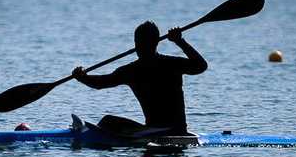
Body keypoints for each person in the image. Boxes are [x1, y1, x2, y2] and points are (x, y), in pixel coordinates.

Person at [72, 21, 208, 135]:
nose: (138, 46)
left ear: (153, 43)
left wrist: (82, 77)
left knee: (108, 121)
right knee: (109, 120)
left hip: (160, 131)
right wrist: (179, 41)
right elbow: (101, 83)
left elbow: (201, 66)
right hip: (176, 130)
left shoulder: (132, 70)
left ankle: (91, 137)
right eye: (137, 41)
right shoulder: (171, 64)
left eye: (140, 42)